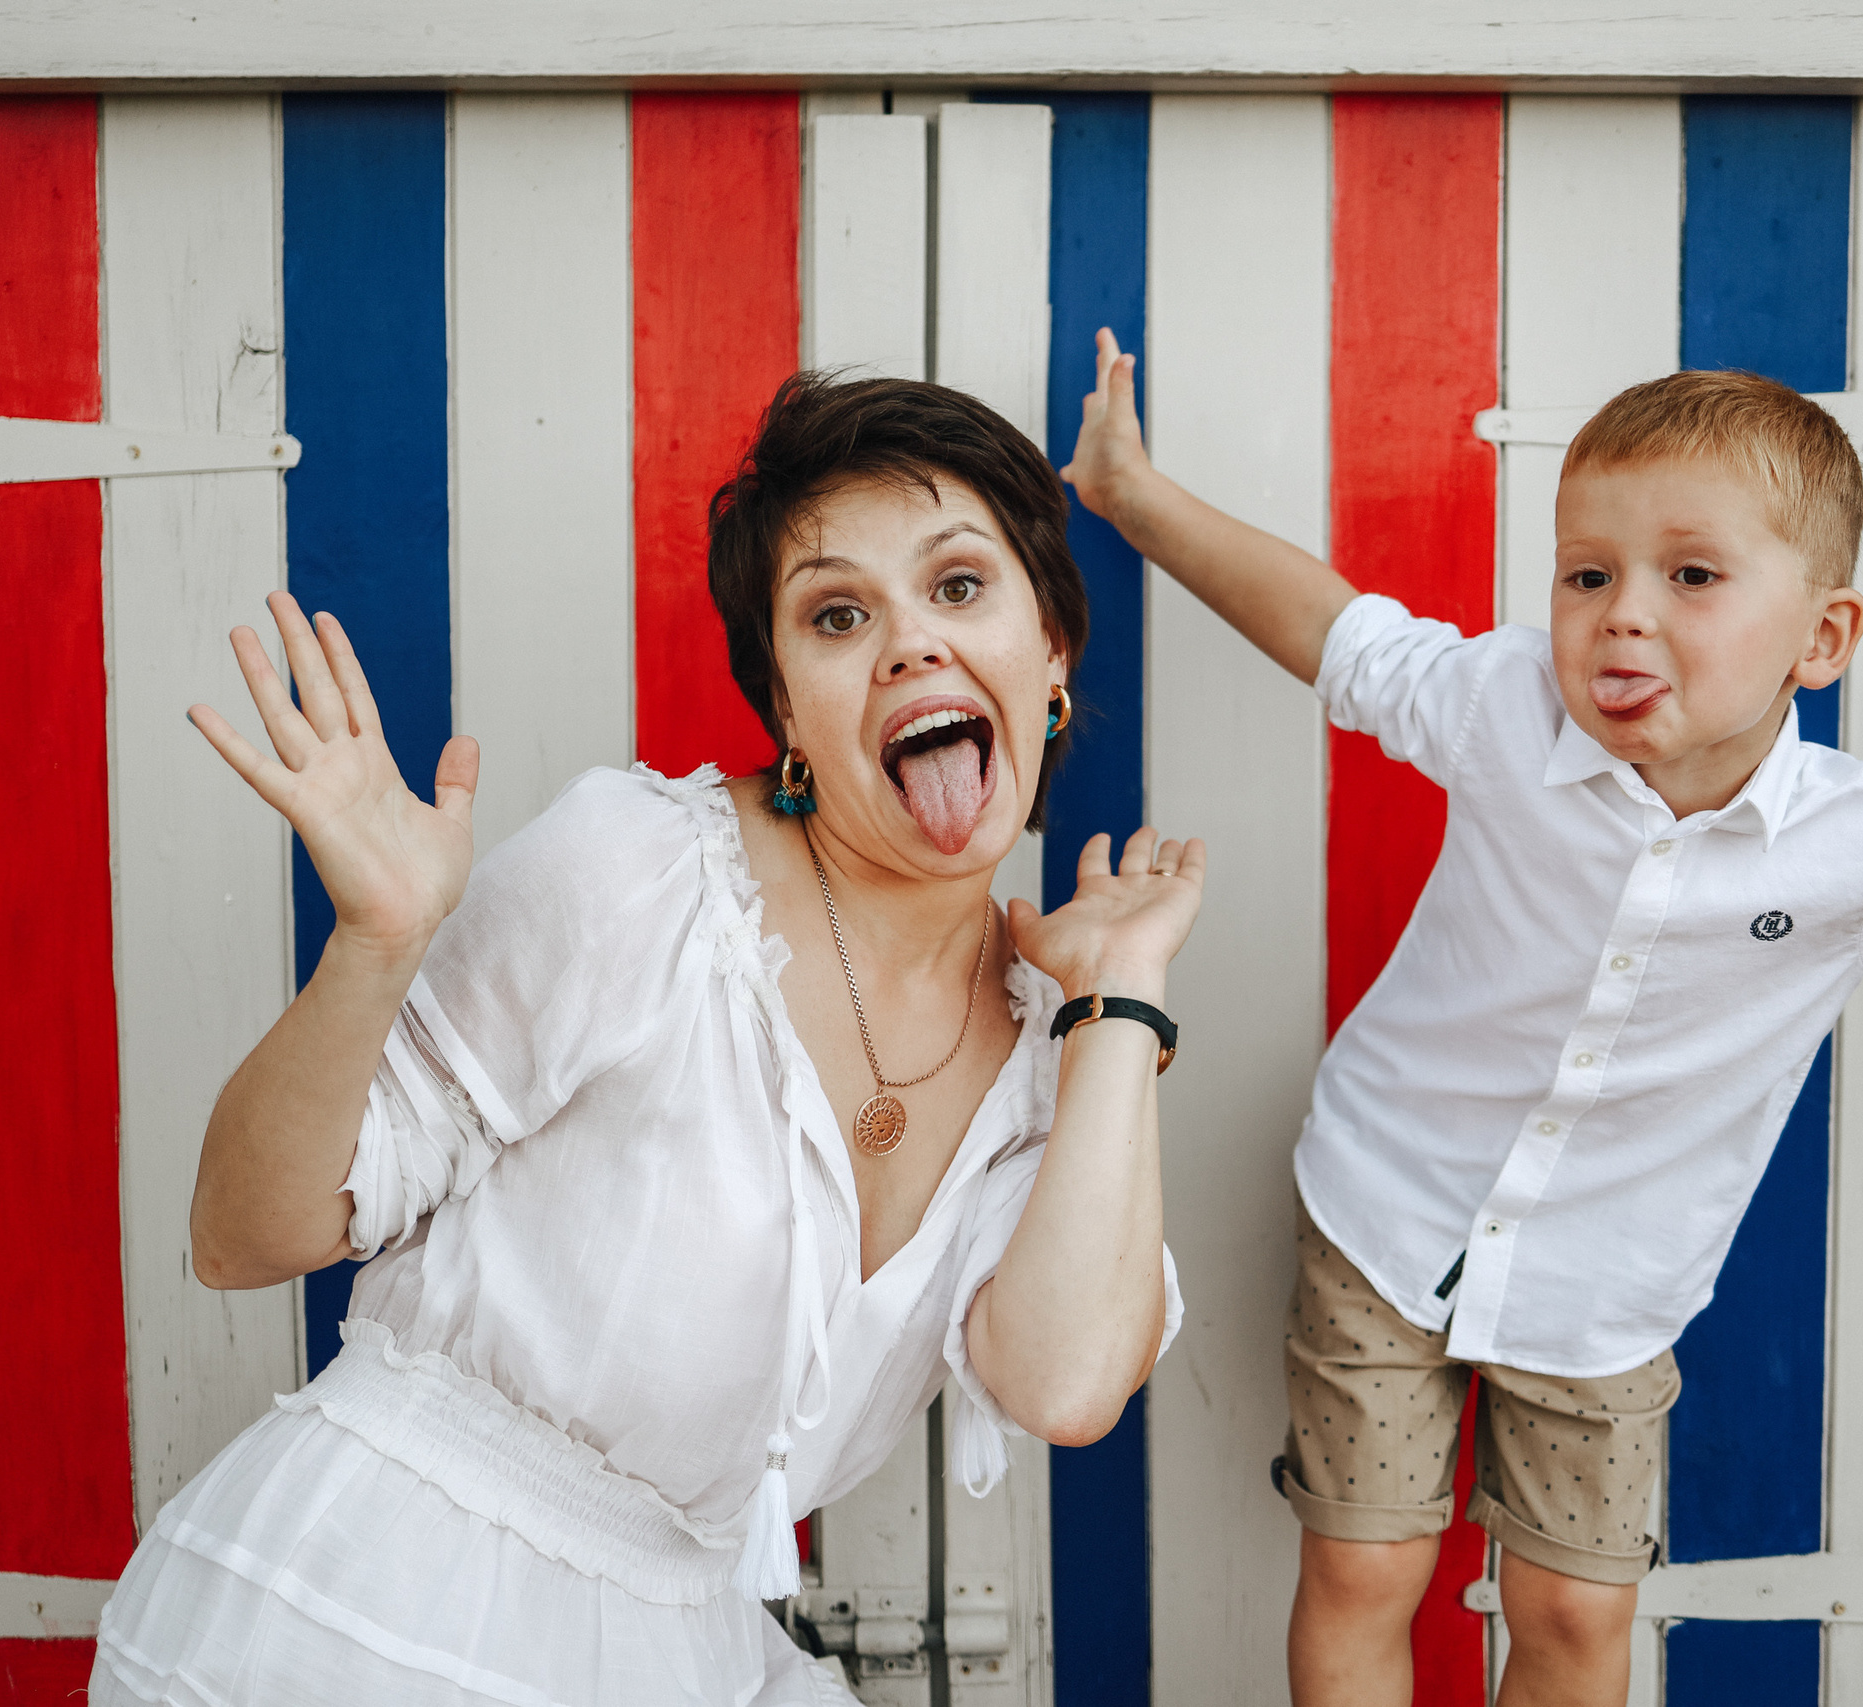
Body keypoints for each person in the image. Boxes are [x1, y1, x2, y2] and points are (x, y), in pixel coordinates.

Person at [1060, 339, 1863, 1707]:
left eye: (1691, 577)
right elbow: (1328, 626)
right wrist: (1133, 494)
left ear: (1823, 638)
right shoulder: (1503, 707)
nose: (1621, 615)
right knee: (1365, 1573)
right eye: (1588, 574)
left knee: (1573, 1610)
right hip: (1389, 1209)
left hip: (1609, 1281)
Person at [92, 373, 1203, 1707]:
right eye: (839, 614)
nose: (911, 644)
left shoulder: (1047, 1060)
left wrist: (1118, 1004)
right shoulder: (645, 873)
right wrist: (376, 948)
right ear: (787, 710)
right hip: (365, 1614)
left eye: (960, 587)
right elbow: (240, 1237)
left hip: (671, 1643)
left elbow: (1069, 1384)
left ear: (1054, 650)